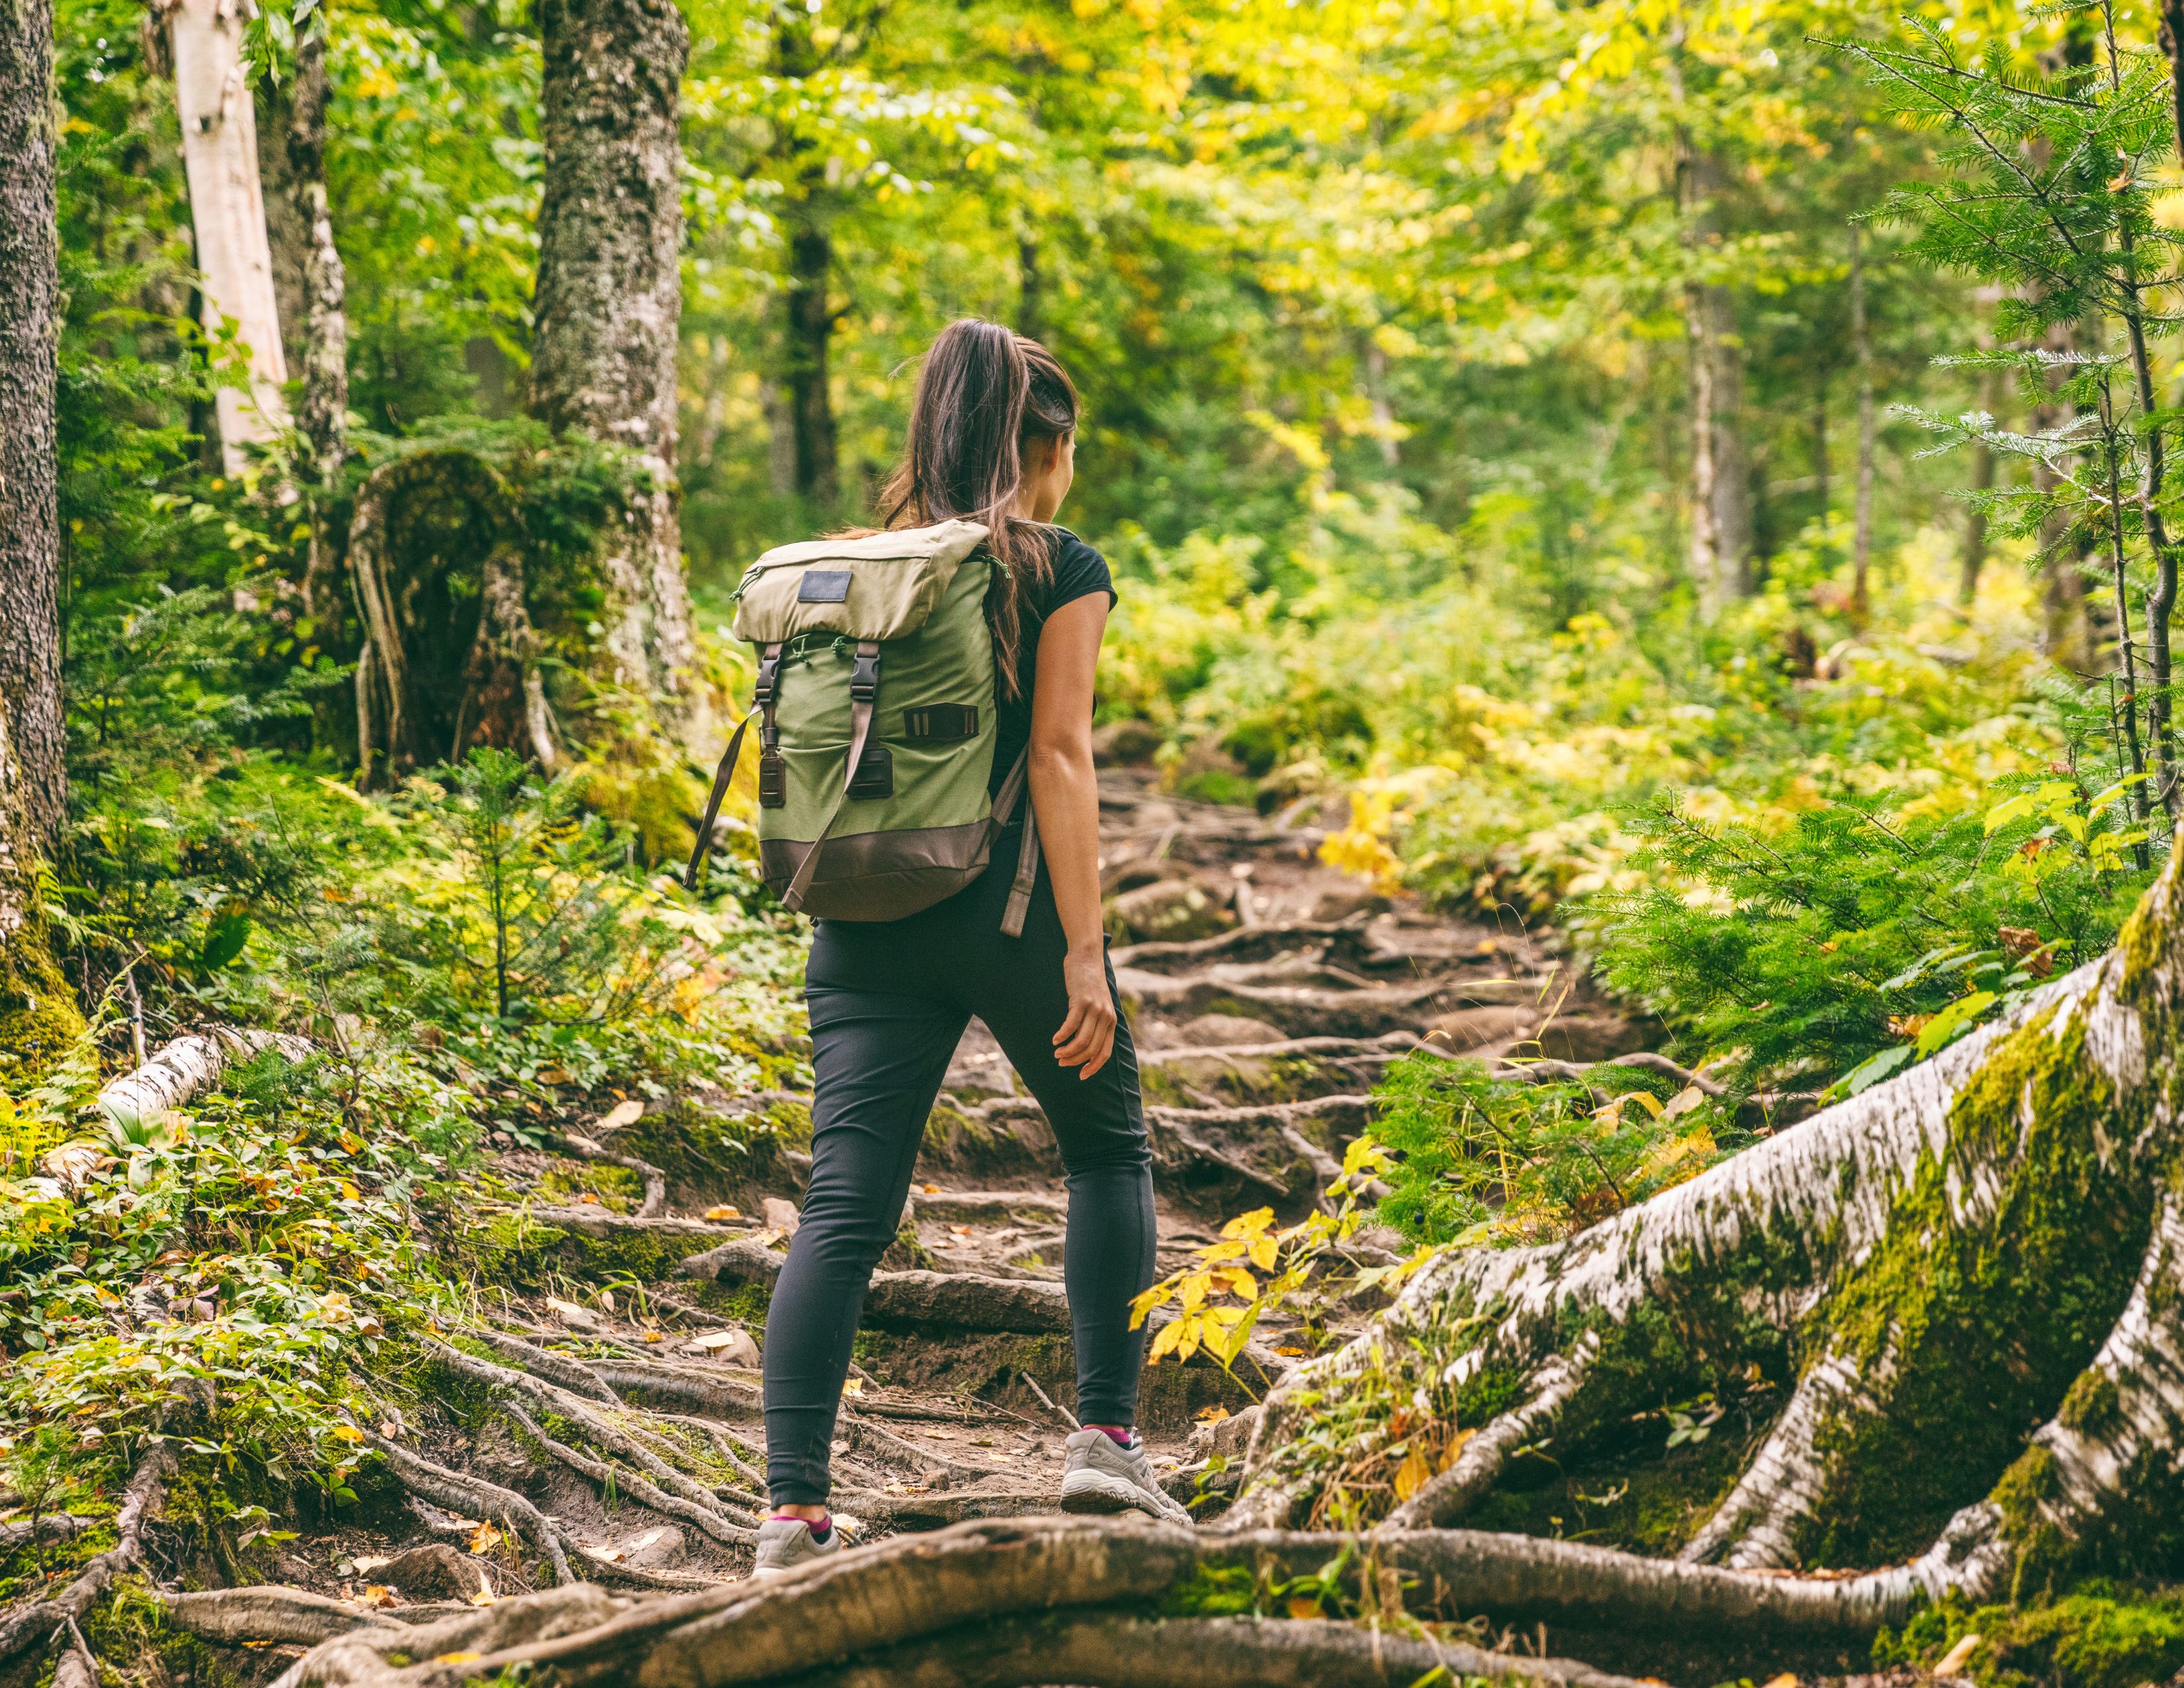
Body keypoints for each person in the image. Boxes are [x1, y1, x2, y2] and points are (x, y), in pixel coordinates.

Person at [751, 320, 1191, 1578]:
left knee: (842, 1206)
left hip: (863, 921)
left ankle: (791, 1511)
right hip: (1008, 919)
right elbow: (1058, 754)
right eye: (1069, 450)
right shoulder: (1057, 563)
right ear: (1039, 444)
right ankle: (1105, 1439)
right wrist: (1084, 952)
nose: (1072, 477)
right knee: (1109, 1150)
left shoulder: (863, 564)